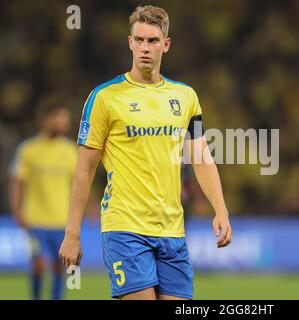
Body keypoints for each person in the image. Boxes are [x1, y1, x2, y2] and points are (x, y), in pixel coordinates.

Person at [59, 5, 232, 300]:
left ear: (166, 45)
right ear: (129, 43)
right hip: (124, 228)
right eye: (138, 40)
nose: (144, 48)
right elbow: (85, 170)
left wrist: (221, 209)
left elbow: (201, 158)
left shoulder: (185, 97)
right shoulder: (104, 97)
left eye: (152, 41)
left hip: (172, 231)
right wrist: (72, 232)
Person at [9, 96, 77, 300]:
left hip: (62, 221)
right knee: (38, 264)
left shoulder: (71, 150)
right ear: (46, 119)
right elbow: (17, 181)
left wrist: (86, 210)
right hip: (35, 220)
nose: (64, 123)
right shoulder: (28, 149)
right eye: (59, 118)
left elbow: (78, 185)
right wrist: (17, 211)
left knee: (60, 266)